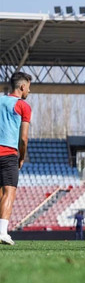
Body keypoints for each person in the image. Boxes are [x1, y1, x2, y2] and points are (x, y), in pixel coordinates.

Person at [0, 72, 32, 246]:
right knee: (8, 192)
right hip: (8, 153)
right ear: (22, 87)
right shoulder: (23, 106)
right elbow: (24, 138)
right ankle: (2, 232)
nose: (29, 90)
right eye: (28, 87)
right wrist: (22, 157)